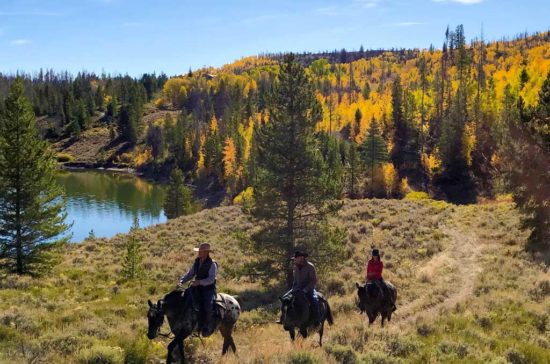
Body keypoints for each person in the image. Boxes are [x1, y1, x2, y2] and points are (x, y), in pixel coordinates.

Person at [178, 242, 217, 336]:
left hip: (208, 288)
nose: (199, 253)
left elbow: (211, 279)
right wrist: (182, 281)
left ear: (207, 252)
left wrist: (199, 282)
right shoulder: (197, 262)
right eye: (199, 251)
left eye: (201, 251)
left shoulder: (212, 264)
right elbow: (190, 274)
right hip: (196, 286)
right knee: (184, 297)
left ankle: (207, 326)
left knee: (208, 304)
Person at [277, 250, 321, 326]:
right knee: (284, 299)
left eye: (296, 258)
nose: (295, 260)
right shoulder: (296, 267)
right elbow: (295, 281)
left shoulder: (310, 267)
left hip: (308, 289)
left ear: (302, 258)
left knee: (314, 301)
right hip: (297, 288)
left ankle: (316, 321)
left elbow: (313, 281)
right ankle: (283, 318)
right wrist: (294, 289)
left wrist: (305, 290)